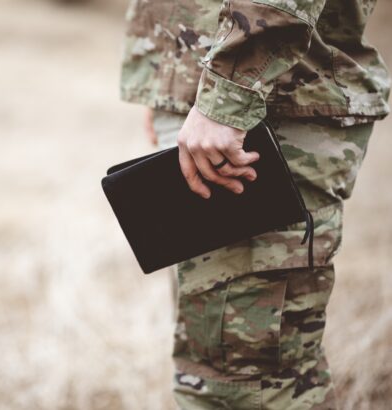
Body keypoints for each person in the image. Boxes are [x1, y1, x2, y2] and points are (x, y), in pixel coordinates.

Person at [120, 0, 390, 408]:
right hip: (216, 97)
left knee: (251, 384)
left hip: (267, 107)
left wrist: (225, 96)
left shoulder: (232, 97)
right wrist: (171, 81)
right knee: (210, 368)